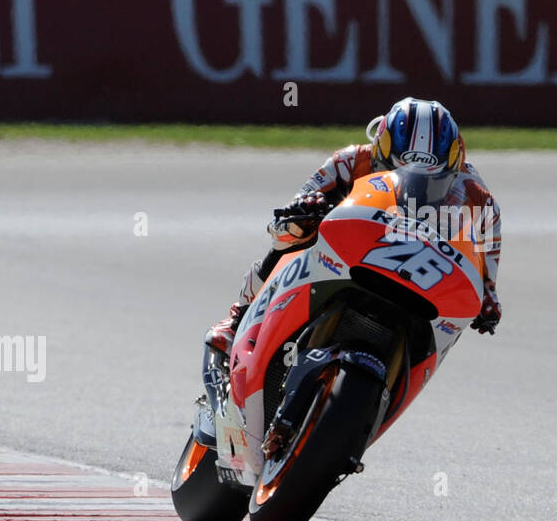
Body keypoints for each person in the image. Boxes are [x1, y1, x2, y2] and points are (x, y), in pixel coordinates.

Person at [206, 97, 502, 355]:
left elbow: (489, 239)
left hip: (416, 271)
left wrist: (490, 292)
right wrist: (303, 213)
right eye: (397, 172)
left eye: (433, 181)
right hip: (343, 252)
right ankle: (237, 321)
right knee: (291, 234)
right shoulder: (348, 162)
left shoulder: (473, 192)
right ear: (379, 154)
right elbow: (283, 218)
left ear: (454, 166)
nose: (418, 190)